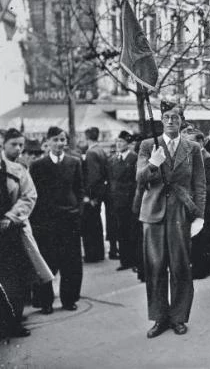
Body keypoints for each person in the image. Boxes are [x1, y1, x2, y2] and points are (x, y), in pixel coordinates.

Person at [134, 102, 206, 338]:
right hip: (153, 212)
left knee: (180, 266)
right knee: (154, 267)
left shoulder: (192, 148)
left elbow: (199, 184)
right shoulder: (147, 145)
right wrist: (154, 163)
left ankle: (178, 317)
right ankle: (159, 318)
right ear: (161, 120)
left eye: (175, 117)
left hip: (180, 212)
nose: (171, 120)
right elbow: (140, 178)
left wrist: (199, 216)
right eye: (166, 117)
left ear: (182, 120)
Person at [0, 133, 51, 338]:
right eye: (14, 144)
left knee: (15, 280)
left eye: (21, 145)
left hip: (13, 232)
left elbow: (29, 196)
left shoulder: (19, 170)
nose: (19, 149)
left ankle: (13, 323)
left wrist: (10, 218)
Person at [29, 126, 84, 314]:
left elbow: (79, 189)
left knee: (71, 263)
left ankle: (69, 300)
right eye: (55, 140)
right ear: (48, 142)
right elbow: (33, 195)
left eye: (62, 140)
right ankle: (45, 302)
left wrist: (78, 212)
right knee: (47, 262)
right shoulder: (37, 165)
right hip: (46, 222)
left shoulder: (74, 163)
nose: (59, 143)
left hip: (70, 219)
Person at [185, 128, 210, 280]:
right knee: (200, 235)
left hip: (206, 201)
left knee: (202, 234)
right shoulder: (194, 156)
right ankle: (207, 266)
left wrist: (193, 191)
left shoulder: (206, 158)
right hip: (198, 200)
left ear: (200, 142)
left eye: (190, 140)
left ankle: (202, 269)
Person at [108, 131, 138, 271]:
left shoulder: (134, 158)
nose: (119, 144)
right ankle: (125, 260)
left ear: (128, 143)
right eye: (117, 141)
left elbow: (136, 181)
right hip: (117, 200)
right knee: (120, 231)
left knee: (132, 231)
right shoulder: (113, 159)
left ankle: (134, 260)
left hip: (130, 200)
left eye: (122, 142)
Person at [81, 127, 110, 262]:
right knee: (96, 223)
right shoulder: (101, 150)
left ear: (87, 138)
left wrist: (89, 196)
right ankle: (98, 252)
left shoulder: (91, 153)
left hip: (93, 193)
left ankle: (92, 254)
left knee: (90, 224)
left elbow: (93, 176)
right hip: (101, 191)